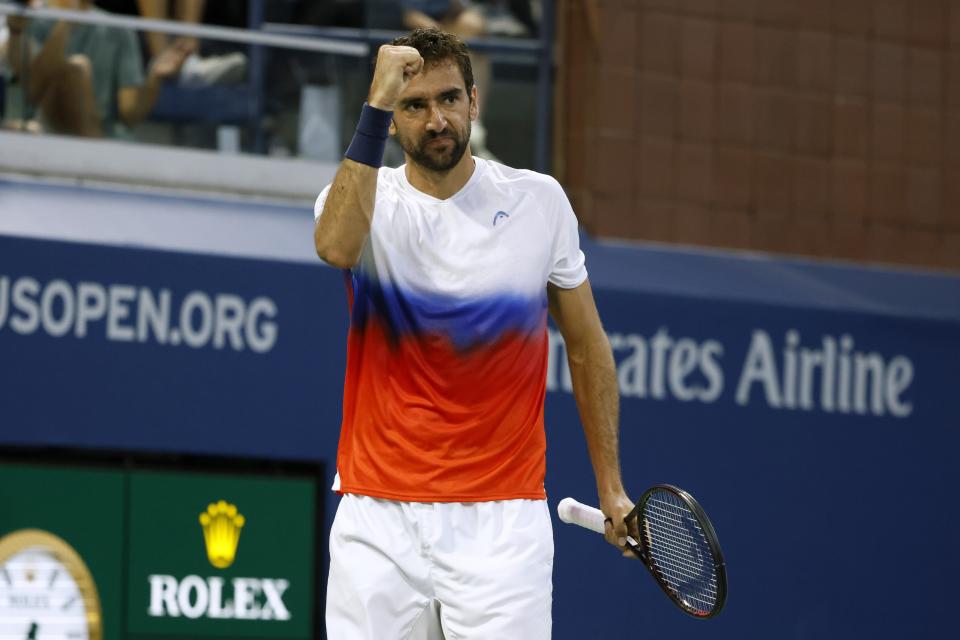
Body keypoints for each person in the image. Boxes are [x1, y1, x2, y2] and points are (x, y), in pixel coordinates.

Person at [313, 28, 636, 639]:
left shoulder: (539, 202)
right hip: (378, 516)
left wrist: (611, 487)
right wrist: (375, 105)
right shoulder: (364, 197)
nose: (436, 120)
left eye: (449, 99)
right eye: (414, 105)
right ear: (392, 114)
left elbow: (587, 343)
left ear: (474, 101)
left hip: (502, 523)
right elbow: (334, 246)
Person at [4, 0, 189, 137]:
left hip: (103, 136)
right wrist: (66, 22)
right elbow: (32, 91)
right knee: (77, 68)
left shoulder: (119, 29)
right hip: (47, 131)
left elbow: (130, 115)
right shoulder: (27, 19)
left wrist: (154, 78)